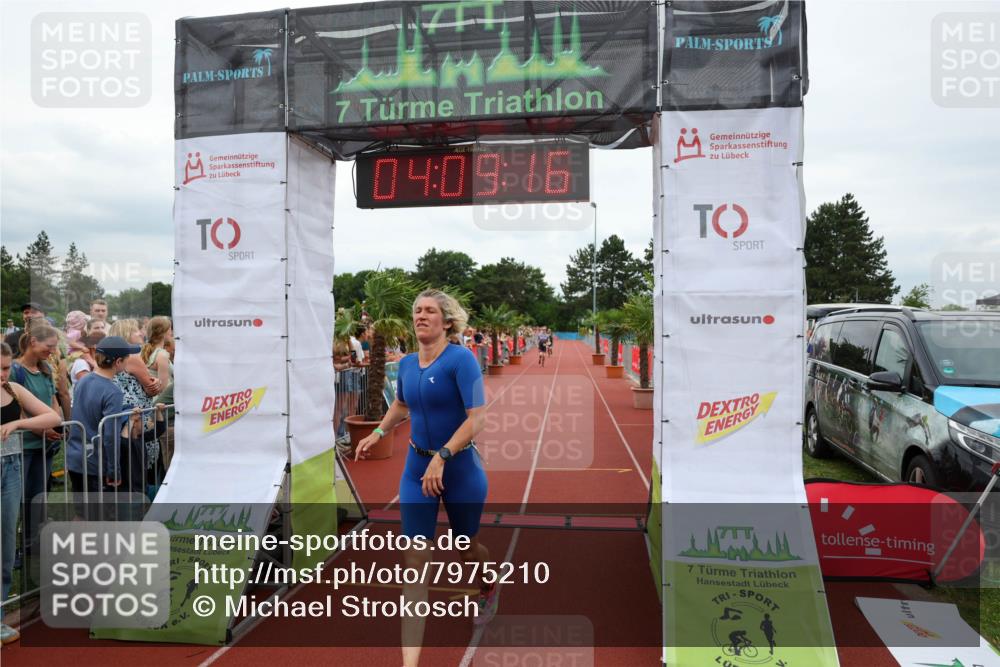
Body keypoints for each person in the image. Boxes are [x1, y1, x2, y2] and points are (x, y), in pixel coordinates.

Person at [354, 289, 498, 667]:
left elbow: (477, 418)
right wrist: (379, 433)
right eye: (417, 311)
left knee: (467, 547)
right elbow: (401, 403)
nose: (420, 316)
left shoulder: (461, 360)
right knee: (416, 562)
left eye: (429, 311)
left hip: (460, 470)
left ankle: (487, 583)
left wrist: (444, 456)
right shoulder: (404, 365)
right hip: (416, 471)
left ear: (447, 322)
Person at [1, 342, 61, 645]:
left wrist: (19, 422)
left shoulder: (12, 389)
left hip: (10, 469)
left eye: (7, 367)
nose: (3, 374)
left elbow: (53, 418)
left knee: (6, 543)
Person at [8, 322, 62, 562]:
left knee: (37, 499)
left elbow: (52, 401)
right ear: (33, 343)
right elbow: (16, 409)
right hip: (21, 448)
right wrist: (42, 429)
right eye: (48, 346)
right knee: (15, 502)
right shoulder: (13, 372)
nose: (51, 351)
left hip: (43, 447)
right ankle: (12, 549)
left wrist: (58, 425)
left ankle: (30, 546)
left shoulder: (46, 370)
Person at [65, 336, 135, 514]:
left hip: (76, 458)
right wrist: (114, 470)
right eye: (127, 358)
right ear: (118, 362)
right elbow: (110, 435)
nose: (129, 361)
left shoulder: (84, 381)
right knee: (98, 518)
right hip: (96, 464)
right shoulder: (113, 392)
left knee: (81, 514)